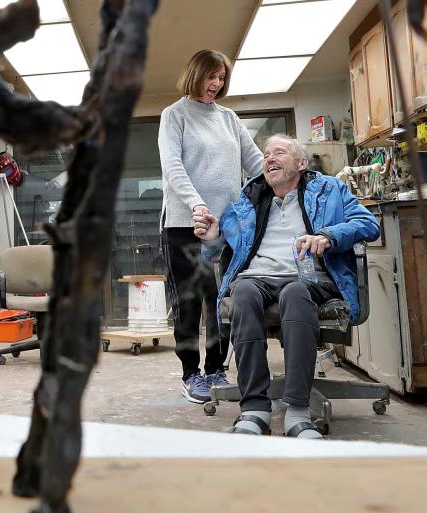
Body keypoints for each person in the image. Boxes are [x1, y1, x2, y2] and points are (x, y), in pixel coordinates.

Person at [193, 135, 380, 438]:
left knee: (295, 292)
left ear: (302, 164)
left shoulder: (329, 189)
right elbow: (215, 251)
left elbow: (369, 224)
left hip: (308, 277)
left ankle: (297, 410)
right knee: (243, 292)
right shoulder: (249, 197)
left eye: (279, 153)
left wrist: (328, 235)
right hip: (257, 277)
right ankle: (254, 408)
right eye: (266, 155)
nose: (269, 159)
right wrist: (211, 236)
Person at [158, 49, 263, 403]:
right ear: (195, 74)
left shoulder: (229, 118)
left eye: (221, 78)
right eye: (211, 76)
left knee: (221, 301)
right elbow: (173, 167)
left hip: (229, 226)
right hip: (186, 225)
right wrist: (196, 204)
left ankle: (217, 369)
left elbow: (255, 162)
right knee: (190, 301)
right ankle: (191, 373)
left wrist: (287, 176)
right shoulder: (174, 115)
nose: (216, 84)